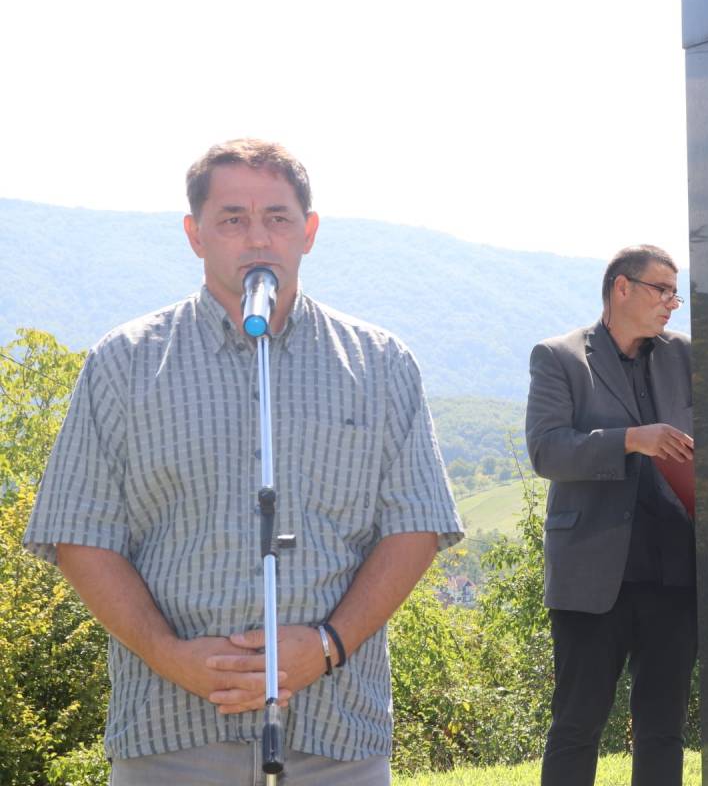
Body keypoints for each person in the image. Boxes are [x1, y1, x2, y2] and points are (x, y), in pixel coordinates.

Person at [23, 139, 463, 784]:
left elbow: (416, 525)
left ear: (308, 232)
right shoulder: (126, 361)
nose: (257, 238)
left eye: (277, 218)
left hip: (336, 730)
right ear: (194, 234)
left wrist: (327, 646)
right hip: (170, 729)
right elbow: (78, 533)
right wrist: (171, 656)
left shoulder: (379, 362)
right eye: (232, 218)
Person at [526, 244, 695, 786]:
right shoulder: (560, 357)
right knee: (578, 725)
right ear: (622, 288)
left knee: (664, 729)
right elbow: (547, 451)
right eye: (661, 289)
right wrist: (630, 441)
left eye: (675, 292)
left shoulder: (689, 356)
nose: (672, 302)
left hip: (677, 572)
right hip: (593, 575)